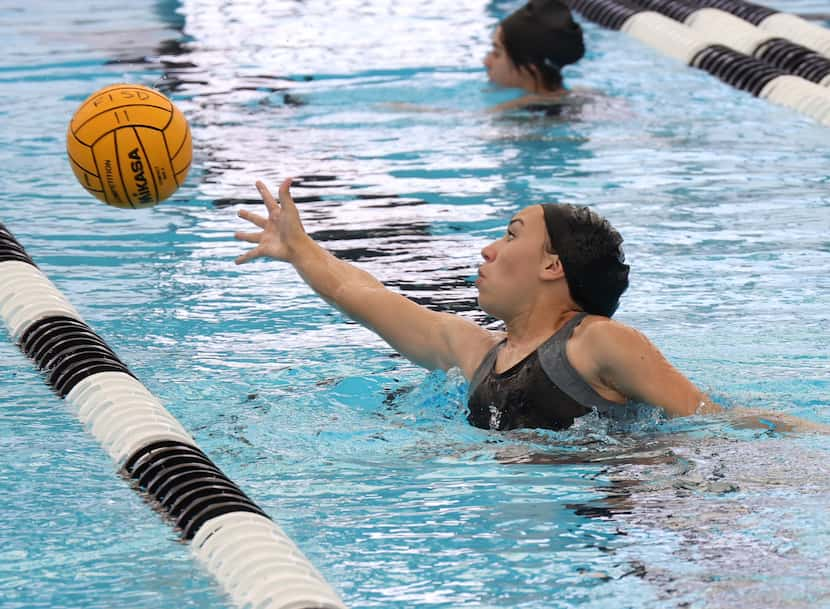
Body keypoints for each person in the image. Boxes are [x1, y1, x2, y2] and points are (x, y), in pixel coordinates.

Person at [234, 178, 727, 433]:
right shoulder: (476, 352)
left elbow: (708, 421)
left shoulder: (598, 341)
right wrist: (300, 249)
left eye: (511, 235)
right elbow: (364, 294)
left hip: (611, 508)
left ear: (553, 266)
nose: (487, 250)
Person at [484, 0, 587, 113]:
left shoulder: (509, 115)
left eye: (497, 53)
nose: (486, 62)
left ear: (530, 65)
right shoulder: (587, 94)